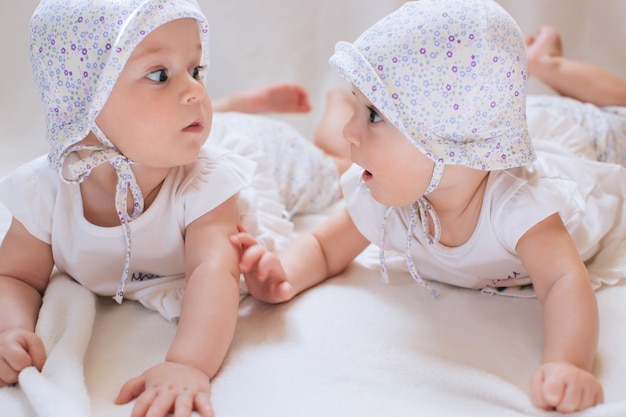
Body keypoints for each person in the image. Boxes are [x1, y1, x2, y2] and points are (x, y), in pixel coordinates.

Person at [231, 0, 626, 413]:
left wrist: (568, 363)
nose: (351, 131)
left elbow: (563, 281)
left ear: (445, 141)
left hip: (580, 140)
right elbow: (324, 247)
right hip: (501, 119)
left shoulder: (518, 204)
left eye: (374, 115)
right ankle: (539, 68)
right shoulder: (395, 194)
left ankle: (548, 65)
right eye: (356, 106)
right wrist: (281, 273)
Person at [0, 1, 343, 416]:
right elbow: (14, 275)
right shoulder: (49, 189)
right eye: (160, 75)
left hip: (260, 150)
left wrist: (187, 364)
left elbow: (212, 272)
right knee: (197, 120)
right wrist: (11, 328)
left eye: (196, 70)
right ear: (81, 105)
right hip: (186, 134)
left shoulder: (205, 184)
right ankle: (239, 103)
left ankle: (334, 110)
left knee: (335, 170)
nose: (196, 89)